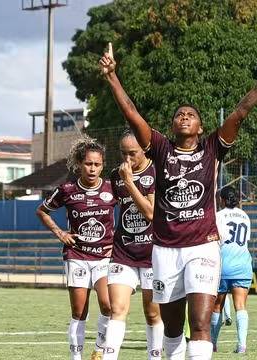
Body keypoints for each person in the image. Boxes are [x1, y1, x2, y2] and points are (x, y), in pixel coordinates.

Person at [101, 42, 257, 359]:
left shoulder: (212, 148)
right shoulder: (160, 147)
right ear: (172, 126)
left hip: (202, 247)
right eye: (179, 114)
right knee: (171, 330)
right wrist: (113, 76)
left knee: (199, 324)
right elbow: (131, 113)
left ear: (200, 127)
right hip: (165, 250)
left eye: (191, 115)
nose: (184, 116)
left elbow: (240, 112)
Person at [36, 136, 116, 360]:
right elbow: (42, 211)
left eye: (97, 164)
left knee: (108, 305)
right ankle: (76, 357)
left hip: (104, 256)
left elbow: (131, 210)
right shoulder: (67, 190)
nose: (92, 168)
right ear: (80, 164)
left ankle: (99, 350)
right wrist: (60, 233)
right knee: (79, 312)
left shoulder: (112, 189)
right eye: (88, 164)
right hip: (77, 256)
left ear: (103, 165)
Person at [102, 130, 163, 359]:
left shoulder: (156, 171)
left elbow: (150, 213)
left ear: (144, 150)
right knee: (116, 309)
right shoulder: (116, 175)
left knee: (152, 313)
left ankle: (154, 356)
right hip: (123, 252)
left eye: (133, 154)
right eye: (123, 154)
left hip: (152, 253)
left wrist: (129, 182)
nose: (127, 160)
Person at [210, 187, 252, 354]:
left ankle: (212, 343)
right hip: (242, 265)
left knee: (217, 306)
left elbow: (216, 239)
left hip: (223, 265)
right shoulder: (245, 216)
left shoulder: (218, 216)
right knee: (240, 306)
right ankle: (241, 345)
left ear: (223, 199)